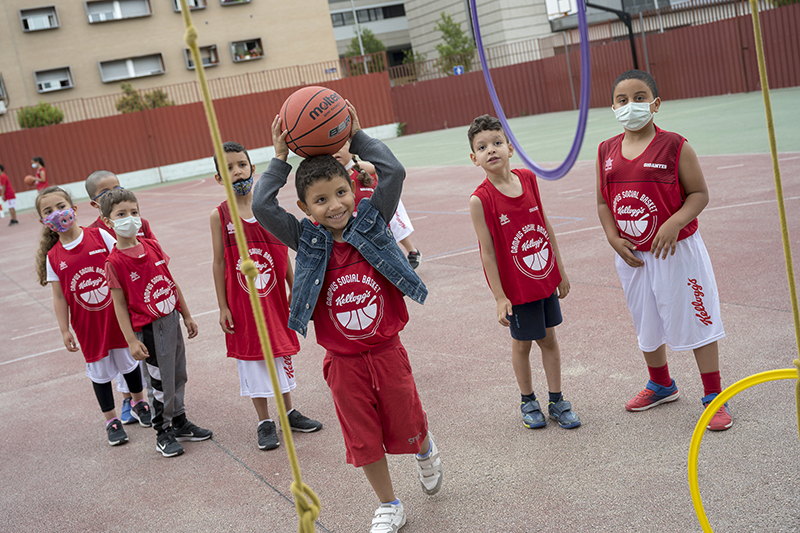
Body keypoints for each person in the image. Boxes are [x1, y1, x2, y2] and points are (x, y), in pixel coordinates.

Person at [253, 102, 442, 533]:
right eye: (320, 200)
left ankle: (425, 450)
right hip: (343, 362)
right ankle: (389, 504)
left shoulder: (372, 220)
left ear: (353, 190)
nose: (334, 205)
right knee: (363, 437)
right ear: (304, 207)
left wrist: (356, 135)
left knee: (409, 421)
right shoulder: (307, 239)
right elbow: (263, 206)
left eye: (341, 193)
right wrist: (280, 157)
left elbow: (393, 172)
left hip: (387, 350)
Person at [596, 69, 732, 431]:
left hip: (677, 252)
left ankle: (714, 395)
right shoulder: (606, 150)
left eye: (640, 98)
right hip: (633, 257)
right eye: (623, 100)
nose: (631, 106)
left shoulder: (675, 145)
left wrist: (672, 222)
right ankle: (661, 383)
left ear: (655, 104)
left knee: (698, 318)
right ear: (613, 107)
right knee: (647, 321)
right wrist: (612, 237)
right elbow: (602, 203)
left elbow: (699, 194)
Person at [468, 114, 581, 431]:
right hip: (516, 290)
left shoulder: (529, 179)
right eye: (482, 146)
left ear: (510, 148)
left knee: (549, 340)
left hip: (543, 280)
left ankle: (557, 400)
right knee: (522, 344)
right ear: (474, 158)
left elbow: (545, 225)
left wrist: (559, 270)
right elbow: (487, 252)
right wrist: (500, 297)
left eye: (497, 143)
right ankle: (527, 399)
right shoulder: (481, 199)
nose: (491, 150)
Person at [210, 141, 322, 451]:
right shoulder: (220, 216)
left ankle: (287, 412)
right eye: (229, 168)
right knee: (254, 360)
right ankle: (264, 421)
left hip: (274, 300)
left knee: (280, 352)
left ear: (252, 168)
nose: (237, 172)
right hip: (243, 305)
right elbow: (219, 262)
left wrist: (295, 290)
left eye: (241, 165)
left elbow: (283, 255)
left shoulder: (268, 211)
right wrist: (222, 306)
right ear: (220, 178)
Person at [34, 186, 152, 446]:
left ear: (73, 209)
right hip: (88, 327)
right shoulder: (53, 257)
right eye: (49, 211)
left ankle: (140, 403)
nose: (58, 214)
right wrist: (64, 330)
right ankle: (111, 421)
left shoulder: (100, 235)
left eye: (61, 207)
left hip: (117, 320)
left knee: (129, 364)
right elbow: (59, 297)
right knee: (100, 374)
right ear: (44, 221)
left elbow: (123, 261)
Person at [101, 188, 213, 457]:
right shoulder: (114, 261)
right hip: (149, 329)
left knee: (178, 374)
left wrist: (186, 314)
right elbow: (118, 304)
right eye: (121, 214)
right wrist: (130, 340)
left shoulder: (151, 245)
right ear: (108, 221)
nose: (130, 218)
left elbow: (171, 282)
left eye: (134, 212)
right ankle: (162, 431)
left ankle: (179, 420)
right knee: (160, 382)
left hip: (171, 319)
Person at [85, 170, 155, 424]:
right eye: (106, 193)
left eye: (117, 187)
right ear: (95, 204)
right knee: (122, 352)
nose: (114, 194)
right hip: (118, 304)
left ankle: (146, 399)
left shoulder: (139, 222)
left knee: (144, 352)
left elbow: (154, 254)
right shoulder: (93, 232)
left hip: (144, 301)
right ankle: (127, 399)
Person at [333, 141, 421, 269]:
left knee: (395, 224)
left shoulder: (359, 169)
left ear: (352, 151)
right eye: (333, 148)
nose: (337, 151)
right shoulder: (330, 181)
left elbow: (386, 170)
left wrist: (380, 185)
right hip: (356, 234)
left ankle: (412, 250)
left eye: (341, 146)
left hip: (377, 228)